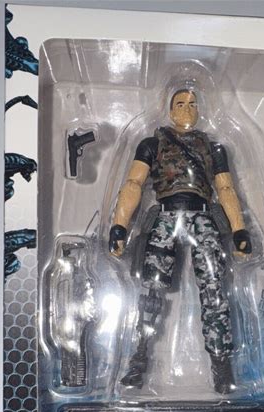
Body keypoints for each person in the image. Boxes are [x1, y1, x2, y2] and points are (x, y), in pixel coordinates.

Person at [109, 89, 252, 394]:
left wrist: (239, 230)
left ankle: (221, 364)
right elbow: (133, 183)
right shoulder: (152, 144)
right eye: (180, 104)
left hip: (203, 216)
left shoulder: (213, 148)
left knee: (214, 290)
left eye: (193, 104)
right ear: (170, 109)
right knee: (151, 290)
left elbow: (226, 189)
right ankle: (139, 358)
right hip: (166, 216)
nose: (187, 109)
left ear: (199, 109)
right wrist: (119, 226)